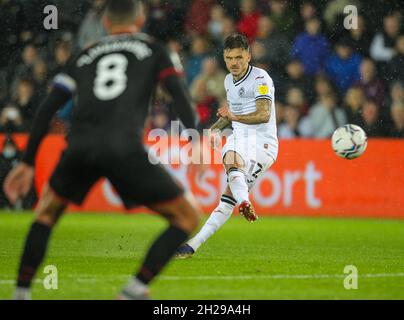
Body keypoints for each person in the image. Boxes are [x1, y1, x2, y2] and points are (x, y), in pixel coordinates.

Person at [3, 0, 202, 300]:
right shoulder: (153, 49)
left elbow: (47, 109)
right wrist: (194, 140)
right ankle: (134, 290)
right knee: (186, 217)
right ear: (140, 19)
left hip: (79, 146)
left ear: (106, 23)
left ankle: (20, 293)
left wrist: (28, 161)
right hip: (124, 147)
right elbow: (180, 95)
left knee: (45, 214)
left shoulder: (84, 55)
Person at [175, 33, 278, 258]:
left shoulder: (260, 79)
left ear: (249, 56)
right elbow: (232, 116)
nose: (234, 63)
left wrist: (233, 116)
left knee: (228, 186)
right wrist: (214, 128)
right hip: (239, 139)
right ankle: (192, 245)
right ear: (224, 57)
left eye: (239, 57)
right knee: (228, 166)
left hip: (263, 144)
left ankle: (242, 201)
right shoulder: (228, 81)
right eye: (230, 58)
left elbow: (263, 114)